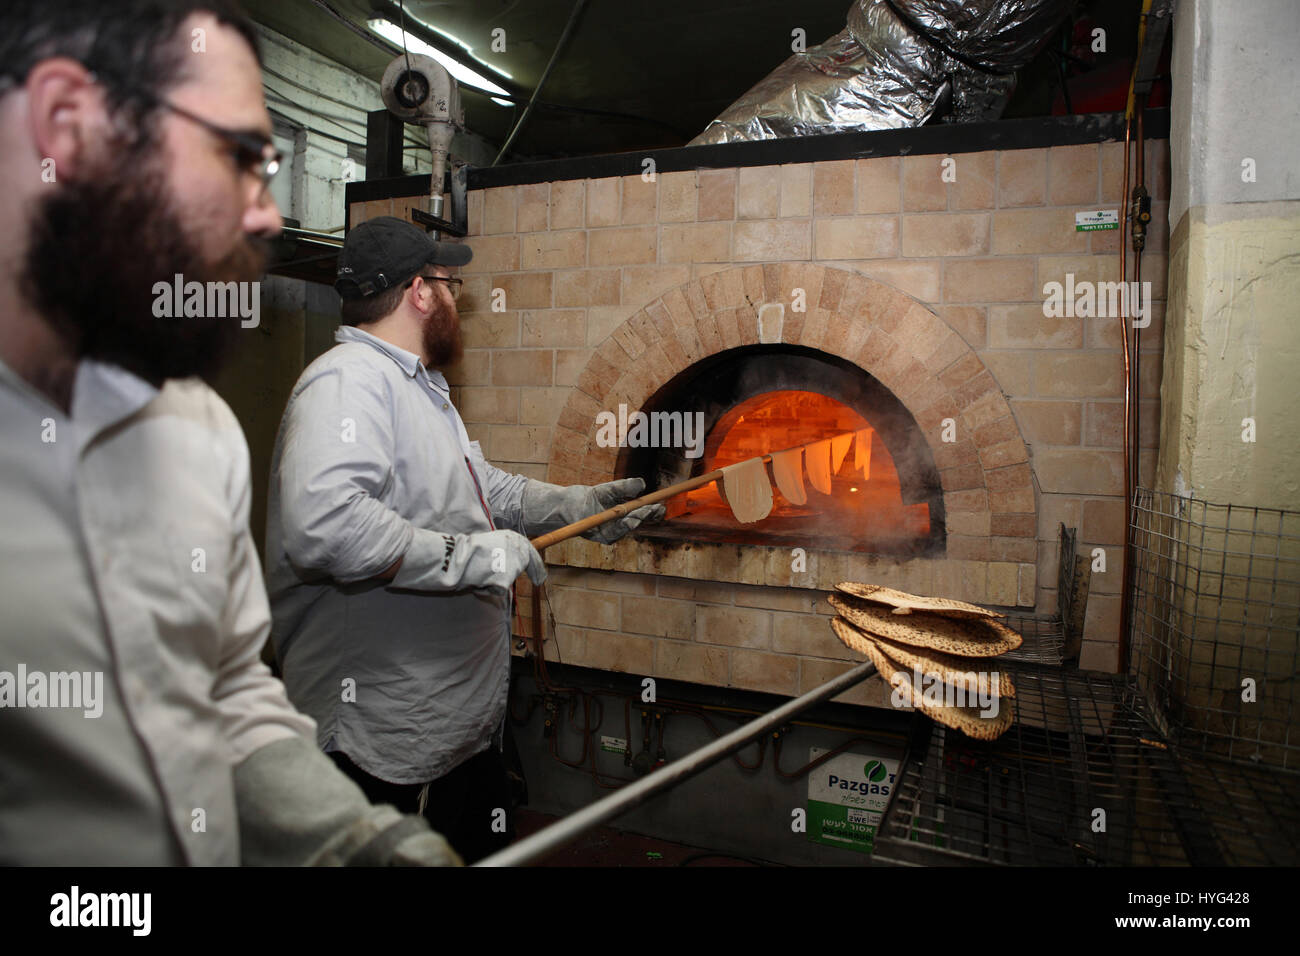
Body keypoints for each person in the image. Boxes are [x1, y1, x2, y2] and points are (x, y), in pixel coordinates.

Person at [0, 0, 458, 866]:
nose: (271, 216)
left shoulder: (193, 423)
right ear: (68, 123)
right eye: (244, 157)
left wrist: (351, 836)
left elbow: (224, 683)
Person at [265, 215, 664, 863]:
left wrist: (574, 505)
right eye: (451, 286)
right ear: (421, 292)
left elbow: (484, 493)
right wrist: (471, 556)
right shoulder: (349, 383)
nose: (458, 302)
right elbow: (326, 526)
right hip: (385, 740)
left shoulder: (417, 389)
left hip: (453, 728)